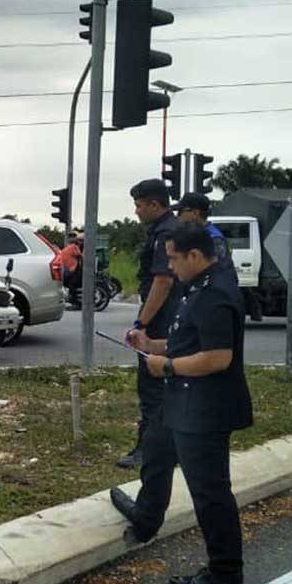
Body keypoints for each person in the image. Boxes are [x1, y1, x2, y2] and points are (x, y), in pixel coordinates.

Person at [111, 222, 252, 584]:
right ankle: (144, 518)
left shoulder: (216, 294)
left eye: (174, 258)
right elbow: (186, 340)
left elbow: (218, 357)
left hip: (205, 409)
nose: (170, 267)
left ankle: (225, 574)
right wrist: (151, 344)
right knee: (155, 454)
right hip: (182, 402)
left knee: (210, 493)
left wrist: (168, 367)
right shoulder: (199, 287)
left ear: (194, 255)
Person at [116, 179, 182, 470]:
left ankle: (148, 449)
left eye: (139, 205)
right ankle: (171, 444)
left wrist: (141, 323)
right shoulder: (170, 229)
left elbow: (163, 281)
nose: (136, 211)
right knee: (168, 384)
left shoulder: (165, 232)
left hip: (161, 319)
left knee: (152, 386)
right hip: (172, 316)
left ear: (155, 204)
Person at [172, 192, 232, 265]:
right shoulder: (194, 234)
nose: (178, 217)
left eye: (180, 212)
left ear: (195, 213)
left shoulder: (214, 238)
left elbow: (217, 269)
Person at [59, 233, 84, 306]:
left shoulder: (68, 247)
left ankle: (74, 301)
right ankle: (74, 301)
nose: (80, 242)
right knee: (72, 284)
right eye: (80, 241)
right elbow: (80, 255)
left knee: (72, 284)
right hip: (71, 270)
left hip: (68, 270)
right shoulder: (74, 247)